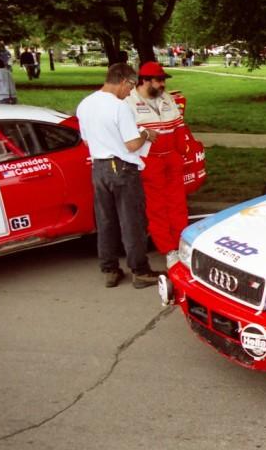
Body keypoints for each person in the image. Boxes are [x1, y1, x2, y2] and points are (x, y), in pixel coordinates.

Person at [76, 63, 163, 289]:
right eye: (131, 86)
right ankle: (140, 271)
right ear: (124, 81)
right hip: (122, 167)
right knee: (132, 220)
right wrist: (146, 134)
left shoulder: (85, 104)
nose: (130, 92)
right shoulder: (119, 107)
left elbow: (86, 140)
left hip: (99, 167)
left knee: (105, 220)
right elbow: (132, 144)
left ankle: (110, 268)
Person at [125, 61, 189, 265]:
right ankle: (169, 250)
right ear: (145, 80)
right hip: (149, 161)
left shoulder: (167, 99)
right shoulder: (128, 103)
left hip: (171, 159)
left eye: (163, 80)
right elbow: (126, 136)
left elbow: (179, 126)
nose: (163, 84)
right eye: (159, 80)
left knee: (178, 203)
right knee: (157, 208)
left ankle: (182, 244)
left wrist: (182, 151)